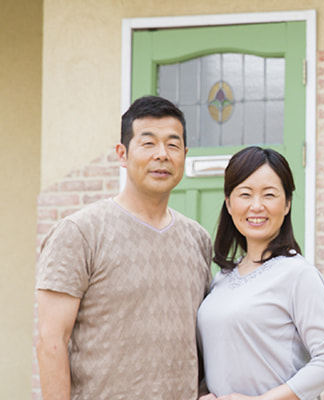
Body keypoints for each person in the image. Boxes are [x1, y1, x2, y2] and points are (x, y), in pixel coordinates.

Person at [36, 96, 213, 400]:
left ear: (184, 155)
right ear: (122, 154)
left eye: (172, 145)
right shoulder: (80, 232)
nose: (162, 155)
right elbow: (51, 341)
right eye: (148, 143)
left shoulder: (198, 239)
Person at [197, 146, 324, 400]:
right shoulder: (221, 279)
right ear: (229, 203)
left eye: (269, 195)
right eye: (245, 194)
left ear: (287, 204)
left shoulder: (297, 274)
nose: (257, 206)